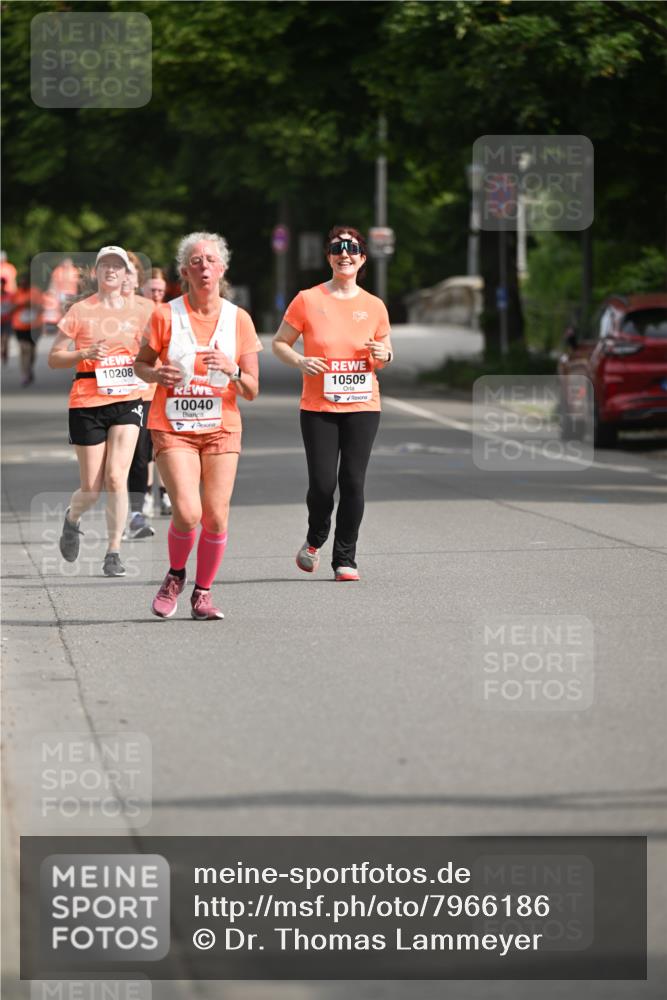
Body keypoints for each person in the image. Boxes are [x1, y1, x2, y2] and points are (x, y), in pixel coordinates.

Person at [134, 231, 262, 620]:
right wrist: (158, 376)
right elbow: (140, 365)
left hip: (222, 426)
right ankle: (175, 575)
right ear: (184, 272)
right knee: (188, 513)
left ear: (222, 268)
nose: (203, 266)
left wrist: (234, 369)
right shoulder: (164, 315)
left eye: (210, 260)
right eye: (195, 261)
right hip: (173, 425)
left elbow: (253, 389)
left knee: (217, 515)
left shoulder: (238, 319)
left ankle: (202, 593)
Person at [272, 226, 394, 582]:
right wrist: (299, 361)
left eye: (352, 249)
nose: (345, 254)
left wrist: (383, 353)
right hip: (318, 407)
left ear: (362, 258)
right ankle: (314, 539)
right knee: (323, 485)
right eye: (338, 249)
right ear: (329, 257)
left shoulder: (373, 305)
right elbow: (280, 342)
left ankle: (345, 558)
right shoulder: (308, 300)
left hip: (363, 406)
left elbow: (386, 353)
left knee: (353, 482)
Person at [48, 245, 149, 577]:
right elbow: (54, 357)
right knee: (91, 488)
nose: (111, 270)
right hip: (87, 401)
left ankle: (113, 551)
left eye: (117, 266)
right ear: (96, 272)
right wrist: (85, 352)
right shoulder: (80, 311)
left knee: (116, 476)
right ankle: (72, 518)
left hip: (128, 398)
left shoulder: (144, 310)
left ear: (125, 274)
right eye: (104, 265)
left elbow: (160, 348)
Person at [122, 252, 156, 540]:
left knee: (139, 457)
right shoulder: (99, 309)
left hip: (144, 393)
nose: (126, 277)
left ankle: (134, 513)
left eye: (131, 272)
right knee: (113, 463)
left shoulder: (150, 310)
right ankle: (119, 512)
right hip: (108, 395)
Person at [11, 273, 44, 386]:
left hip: (34, 326)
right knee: (24, 348)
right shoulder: (16, 294)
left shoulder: (35, 292)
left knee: (32, 350)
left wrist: (31, 304)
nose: (23, 284)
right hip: (19, 326)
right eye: (21, 282)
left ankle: (29, 368)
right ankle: (24, 374)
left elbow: (41, 308)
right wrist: (19, 305)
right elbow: (9, 309)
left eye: (25, 282)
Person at [1, 277, 15, 363]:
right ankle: (3, 351)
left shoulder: (10, 295)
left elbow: (14, 306)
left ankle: (4, 352)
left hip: (7, 321)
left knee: (5, 339)